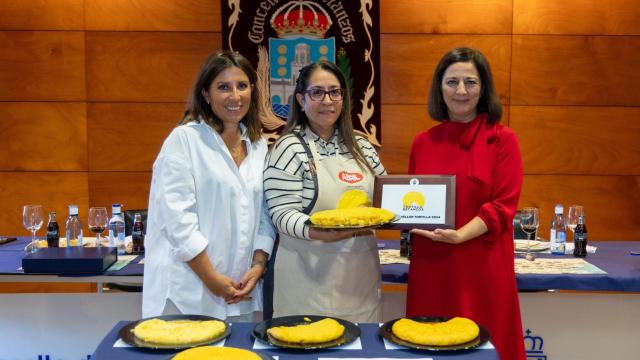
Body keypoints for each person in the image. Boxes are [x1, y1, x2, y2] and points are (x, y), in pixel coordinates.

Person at [407, 48, 526, 360]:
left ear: (483, 88)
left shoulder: (503, 140)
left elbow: (503, 205)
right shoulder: (422, 142)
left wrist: (460, 235)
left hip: (483, 264)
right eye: (452, 82)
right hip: (432, 263)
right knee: (427, 340)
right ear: (439, 87)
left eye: (470, 82)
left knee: (486, 345)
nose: (461, 91)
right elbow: (412, 200)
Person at [142, 50, 275, 322]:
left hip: (241, 292)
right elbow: (178, 221)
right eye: (223, 87)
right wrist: (211, 278)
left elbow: (265, 213)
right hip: (188, 293)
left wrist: (259, 265)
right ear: (206, 94)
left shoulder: (259, 146)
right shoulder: (184, 140)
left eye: (242, 86)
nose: (235, 96)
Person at [263, 60, 386, 323]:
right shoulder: (287, 148)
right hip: (306, 283)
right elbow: (281, 214)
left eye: (335, 92)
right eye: (317, 92)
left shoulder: (363, 147)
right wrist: (320, 232)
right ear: (300, 99)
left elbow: (386, 198)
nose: (327, 100)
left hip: (359, 283)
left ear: (343, 98)